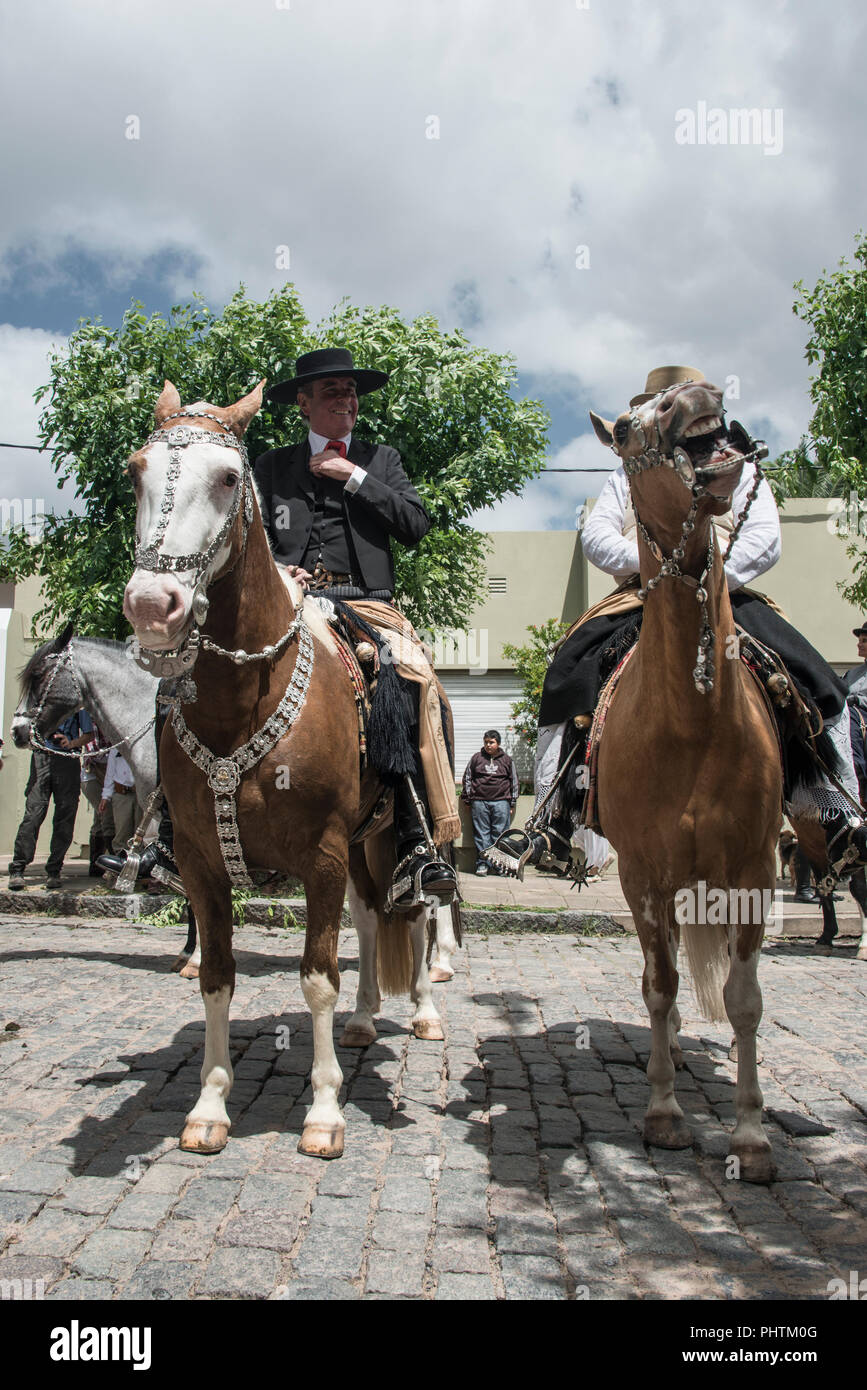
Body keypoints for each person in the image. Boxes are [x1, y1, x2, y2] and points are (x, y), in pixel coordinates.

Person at [100, 347, 459, 909]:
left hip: (365, 602)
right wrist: (281, 569)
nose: (346, 398)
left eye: (351, 390)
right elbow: (245, 536)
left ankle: (417, 841)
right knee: (181, 676)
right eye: (332, 390)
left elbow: (415, 525)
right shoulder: (267, 466)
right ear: (304, 403)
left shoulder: (380, 459)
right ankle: (169, 839)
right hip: (289, 597)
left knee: (408, 674)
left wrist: (355, 476)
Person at [489, 365, 867, 882]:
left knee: (814, 675)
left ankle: (841, 808)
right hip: (640, 596)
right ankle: (552, 814)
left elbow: (765, 540)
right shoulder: (627, 473)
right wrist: (655, 571)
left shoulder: (739, 466)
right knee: (568, 669)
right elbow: (596, 537)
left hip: (725, 596)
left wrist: (708, 577)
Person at [7, 711, 89, 889]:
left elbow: (89, 735)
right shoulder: (40, 700)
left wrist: (71, 743)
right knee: (33, 814)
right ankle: (18, 868)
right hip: (41, 757)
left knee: (65, 817)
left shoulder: (76, 704)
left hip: (67, 761)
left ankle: (54, 870)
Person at [462, 730, 518, 874]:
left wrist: (512, 803)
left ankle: (500, 865)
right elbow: (468, 778)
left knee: (500, 835)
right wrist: (467, 800)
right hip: (479, 802)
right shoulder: (476, 758)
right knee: (482, 835)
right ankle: (483, 864)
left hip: (501, 802)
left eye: (491, 742)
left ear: (498, 743)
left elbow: (514, 782)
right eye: (486, 742)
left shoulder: (507, 760)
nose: (488, 745)